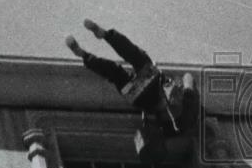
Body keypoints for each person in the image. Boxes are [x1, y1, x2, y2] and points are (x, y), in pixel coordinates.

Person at [66, 20, 199, 138]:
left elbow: (188, 76)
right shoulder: (171, 130)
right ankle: (83, 54)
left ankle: (105, 34)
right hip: (136, 96)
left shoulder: (191, 106)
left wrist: (184, 87)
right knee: (114, 72)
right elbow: (151, 124)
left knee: (134, 55)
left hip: (153, 81)